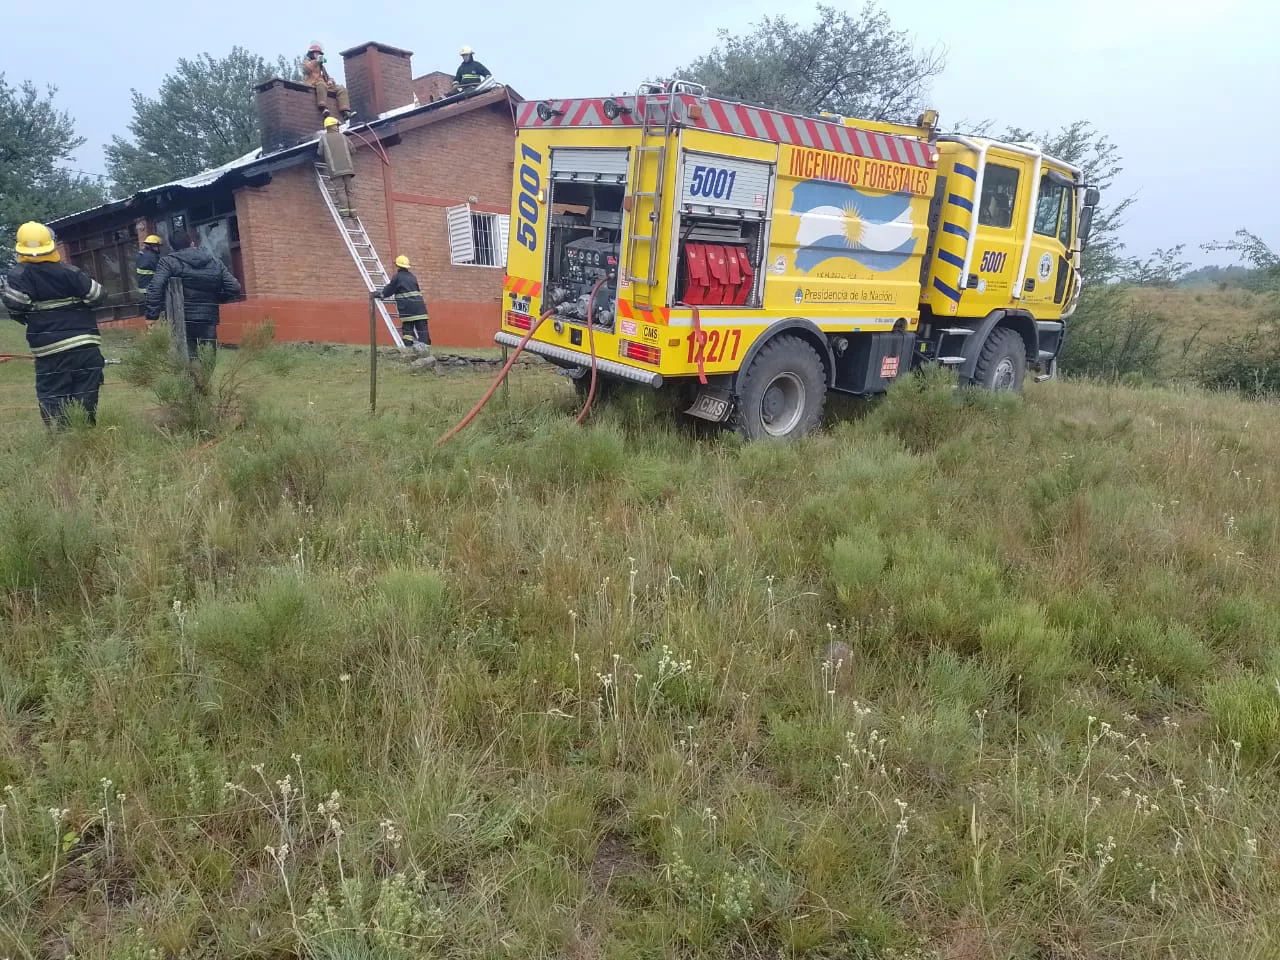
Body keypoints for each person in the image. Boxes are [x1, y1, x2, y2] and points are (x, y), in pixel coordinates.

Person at [2, 221, 107, 427]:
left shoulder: (19, 276)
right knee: (86, 394)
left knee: (53, 395)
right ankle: (84, 436)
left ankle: (61, 440)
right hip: (85, 345)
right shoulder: (70, 272)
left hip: (50, 351)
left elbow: (16, 307)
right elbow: (98, 295)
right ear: (52, 245)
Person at [143, 230, 241, 363]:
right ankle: (203, 383)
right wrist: (215, 299)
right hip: (207, 317)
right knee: (207, 359)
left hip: (180, 318)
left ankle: (190, 382)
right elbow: (234, 287)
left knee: (186, 359)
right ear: (192, 243)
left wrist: (152, 316)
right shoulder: (214, 261)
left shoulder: (167, 262)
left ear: (173, 247)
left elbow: (155, 287)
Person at [374, 255, 429, 351]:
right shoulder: (413, 277)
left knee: (408, 328)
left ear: (397, 266)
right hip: (420, 308)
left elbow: (391, 288)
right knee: (422, 329)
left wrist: (381, 294)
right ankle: (425, 349)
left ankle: (408, 346)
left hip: (408, 308)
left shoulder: (397, 277)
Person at [303, 43, 354, 121]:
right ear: (311, 54)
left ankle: (345, 111)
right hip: (313, 84)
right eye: (316, 53)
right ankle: (323, 108)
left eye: (319, 54)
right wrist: (316, 61)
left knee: (341, 88)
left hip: (323, 85)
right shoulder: (307, 62)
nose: (318, 55)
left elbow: (326, 77)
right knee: (321, 84)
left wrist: (330, 81)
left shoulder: (321, 67)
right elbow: (307, 69)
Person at [319, 116, 356, 216]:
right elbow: (353, 150)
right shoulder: (344, 137)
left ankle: (344, 211)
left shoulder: (324, 138)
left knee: (340, 190)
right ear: (333, 126)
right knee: (349, 190)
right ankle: (353, 212)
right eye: (337, 125)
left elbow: (320, 152)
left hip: (335, 170)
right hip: (348, 169)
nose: (338, 127)